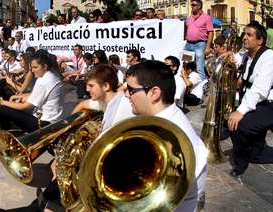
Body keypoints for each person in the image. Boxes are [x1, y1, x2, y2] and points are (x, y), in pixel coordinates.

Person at [124, 60, 207, 212]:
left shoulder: (168, 138)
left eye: (131, 89)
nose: (126, 94)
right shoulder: (165, 119)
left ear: (154, 93)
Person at [225, 21, 273, 176]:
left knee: (238, 125)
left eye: (249, 35)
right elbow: (238, 61)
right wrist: (229, 56)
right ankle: (256, 152)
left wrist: (240, 111)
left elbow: (259, 91)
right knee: (257, 153)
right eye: (244, 34)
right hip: (256, 104)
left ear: (260, 40)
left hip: (268, 106)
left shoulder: (269, 57)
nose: (244, 37)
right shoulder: (247, 56)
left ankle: (241, 163)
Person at [0, 53, 64, 133]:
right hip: (51, 119)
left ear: (45, 66)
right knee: (12, 106)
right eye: (32, 67)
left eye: (35, 67)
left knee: (1, 109)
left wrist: (2, 102)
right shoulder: (49, 77)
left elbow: (25, 107)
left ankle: (6, 132)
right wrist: (16, 98)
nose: (33, 70)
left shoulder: (44, 82)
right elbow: (33, 94)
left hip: (43, 124)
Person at [72, 64, 135, 132]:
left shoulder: (119, 114)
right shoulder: (110, 98)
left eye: (91, 86)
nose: (87, 89)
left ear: (106, 86)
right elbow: (82, 104)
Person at [184, 0, 214, 81]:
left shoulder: (206, 17)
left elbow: (210, 33)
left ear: (199, 6)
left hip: (200, 44)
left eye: (193, 5)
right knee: (186, 65)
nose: (192, 6)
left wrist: (208, 47)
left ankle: (201, 87)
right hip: (188, 44)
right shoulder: (189, 18)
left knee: (199, 67)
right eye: (191, 5)